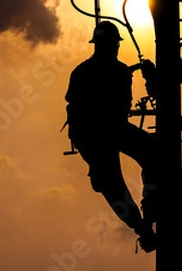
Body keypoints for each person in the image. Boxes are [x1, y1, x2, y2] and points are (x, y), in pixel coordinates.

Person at [64, 20, 158, 252]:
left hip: (106, 131)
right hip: (95, 136)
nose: (113, 49)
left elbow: (121, 107)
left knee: (152, 154)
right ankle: (144, 224)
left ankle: (150, 210)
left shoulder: (109, 71)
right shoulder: (109, 72)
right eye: (112, 44)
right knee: (115, 183)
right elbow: (82, 105)